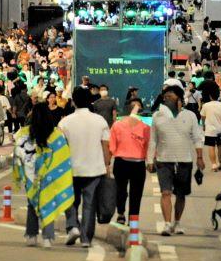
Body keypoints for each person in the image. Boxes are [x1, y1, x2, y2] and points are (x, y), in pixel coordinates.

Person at [13, 102, 75, 248]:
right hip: (51, 176)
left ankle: (31, 235)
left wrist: (19, 174)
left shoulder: (24, 133)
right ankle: (47, 238)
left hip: (32, 177)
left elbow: (18, 155)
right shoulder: (56, 135)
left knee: (32, 204)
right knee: (49, 204)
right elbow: (64, 157)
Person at [147, 85, 205, 236]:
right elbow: (153, 139)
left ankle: (177, 222)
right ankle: (167, 224)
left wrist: (199, 157)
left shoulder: (190, 116)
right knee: (165, 192)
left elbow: (197, 138)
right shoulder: (157, 116)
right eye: (165, 97)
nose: (166, 99)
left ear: (179, 99)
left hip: (184, 160)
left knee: (180, 194)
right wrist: (149, 159)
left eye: (170, 97)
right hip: (163, 160)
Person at [58, 87, 111, 248]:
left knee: (70, 201)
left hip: (70, 168)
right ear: (90, 101)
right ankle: (86, 239)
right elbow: (105, 146)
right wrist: (107, 165)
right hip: (94, 168)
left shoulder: (65, 122)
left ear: (73, 101)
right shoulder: (100, 121)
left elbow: (60, 148)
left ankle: (73, 226)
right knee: (90, 205)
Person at [108, 98, 150, 225]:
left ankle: (131, 218)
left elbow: (111, 147)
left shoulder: (145, 128)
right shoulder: (119, 125)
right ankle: (123, 214)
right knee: (123, 191)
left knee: (132, 193)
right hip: (123, 162)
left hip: (136, 163)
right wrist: (108, 163)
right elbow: (111, 146)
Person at [199, 81, 221, 172]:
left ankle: (214, 165)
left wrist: (203, 125)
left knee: (211, 146)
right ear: (218, 96)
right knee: (220, 146)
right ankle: (220, 163)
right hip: (220, 130)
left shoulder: (206, 105)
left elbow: (203, 117)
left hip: (209, 130)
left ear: (210, 96)